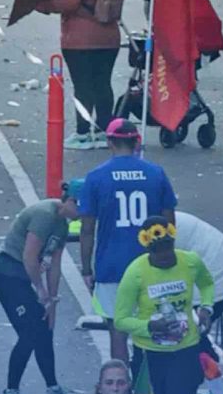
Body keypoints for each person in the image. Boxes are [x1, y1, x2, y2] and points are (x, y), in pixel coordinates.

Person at [75, 120, 175, 359]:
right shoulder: (156, 173)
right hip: (151, 264)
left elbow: (87, 229)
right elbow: (169, 224)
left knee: (117, 329)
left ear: (110, 142)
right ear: (136, 141)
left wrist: (86, 269)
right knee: (155, 327)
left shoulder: (96, 177)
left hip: (112, 265)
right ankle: (150, 378)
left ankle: (121, 380)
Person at [112, 218, 212, 394]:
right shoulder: (136, 272)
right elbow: (121, 320)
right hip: (150, 357)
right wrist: (149, 326)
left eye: (168, 249)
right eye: (158, 253)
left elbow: (207, 283)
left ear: (173, 243)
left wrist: (207, 307)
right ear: (148, 249)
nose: (165, 257)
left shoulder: (190, 261)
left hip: (185, 351)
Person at [0, 189, 79, 394]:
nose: (85, 212)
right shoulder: (45, 214)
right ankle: (10, 392)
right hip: (7, 274)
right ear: (69, 200)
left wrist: (52, 301)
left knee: (44, 327)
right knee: (30, 331)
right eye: (81, 206)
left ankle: (52, 389)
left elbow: (55, 265)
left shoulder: (62, 224)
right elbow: (29, 256)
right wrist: (40, 289)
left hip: (23, 278)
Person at [56, 0, 126, 146]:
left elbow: (68, 2)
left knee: (83, 86)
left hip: (79, 40)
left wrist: (43, 4)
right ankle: (105, 130)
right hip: (109, 38)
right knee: (103, 84)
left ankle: (83, 133)